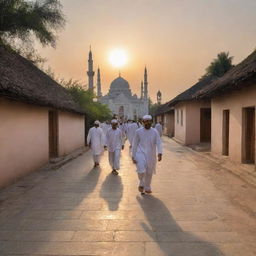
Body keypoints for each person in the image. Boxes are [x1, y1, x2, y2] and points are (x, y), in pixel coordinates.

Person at [132, 115, 162, 194]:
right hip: (140, 153)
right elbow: (134, 144)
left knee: (149, 172)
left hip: (151, 154)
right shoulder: (138, 131)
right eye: (146, 121)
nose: (147, 123)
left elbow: (158, 143)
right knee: (141, 169)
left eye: (149, 121)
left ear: (151, 122)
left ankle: (147, 187)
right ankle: (142, 183)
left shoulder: (155, 131)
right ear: (143, 122)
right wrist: (133, 155)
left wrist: (160, 153)